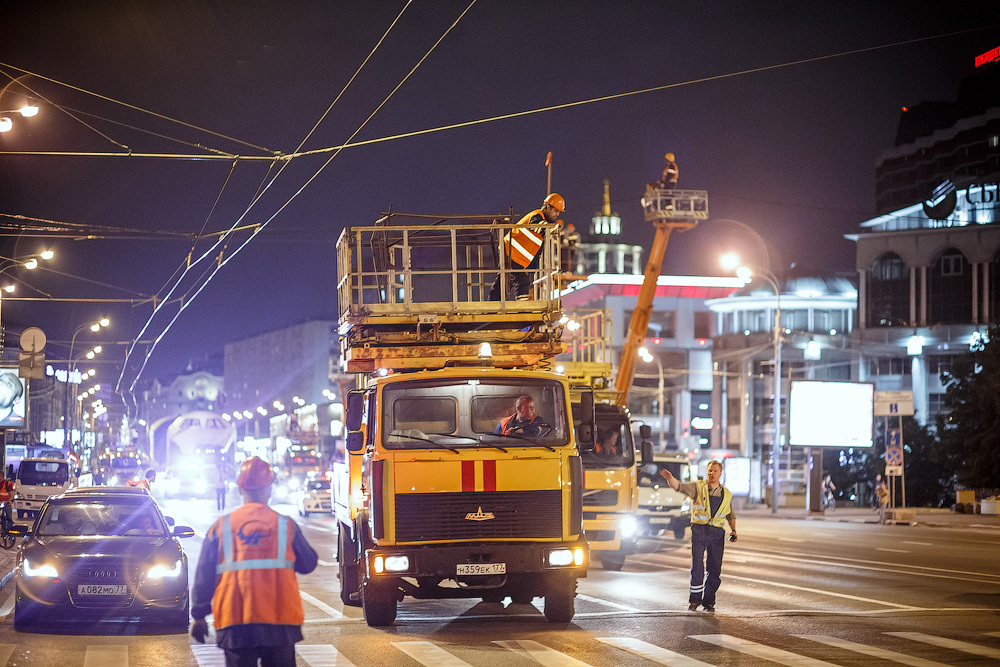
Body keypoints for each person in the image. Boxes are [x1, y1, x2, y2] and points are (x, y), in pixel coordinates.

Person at [191, 457, 318, 666]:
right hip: (280, 623)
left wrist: (199, 616)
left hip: (235, 623)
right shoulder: (286, 525)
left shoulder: (221, 527)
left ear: (241, 490)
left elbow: (204, 575)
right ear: (269, 489)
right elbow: (309, 564)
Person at [659, 459, 736, 613]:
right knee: (698, 566)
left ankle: (709, 601)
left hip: (717, 533)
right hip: (700, 530)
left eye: (715, 470)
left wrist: (733, 530)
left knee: (715, 568)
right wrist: (670, 479)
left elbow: (730, 514)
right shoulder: (698, 487)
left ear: (721, 473)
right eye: (709, 470)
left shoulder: (726, 494)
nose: (711, 473)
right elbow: (679, 486)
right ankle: (694, 600)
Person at [489, 193, 565, 301]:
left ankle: (493, 305)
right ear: (548, 207)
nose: (557, 214)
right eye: (556, 211)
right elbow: (538, 225)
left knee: (504, 281)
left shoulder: (543, 220)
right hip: (510, 251)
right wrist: (551, 228)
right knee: (522, 283)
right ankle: (522, 310)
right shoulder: (536, 215)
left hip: (515, 255)